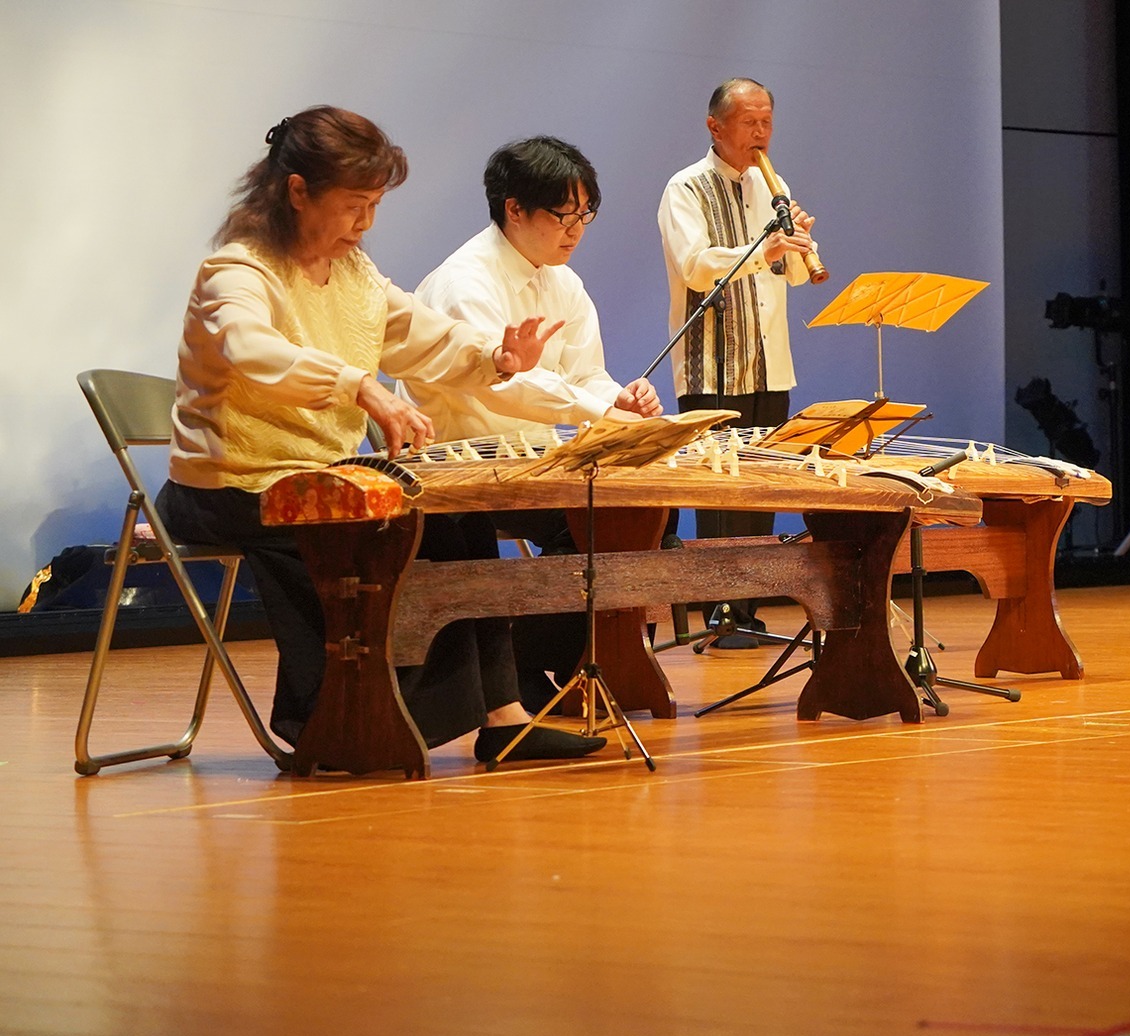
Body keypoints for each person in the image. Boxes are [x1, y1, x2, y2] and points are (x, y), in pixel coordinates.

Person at [154, 106, 604, 763]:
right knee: (366, 536)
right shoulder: (237, 270)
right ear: (298, 191)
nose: (365, 222)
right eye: (354, 204)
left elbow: (424, 337)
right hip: (233, 482)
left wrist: (497, 358)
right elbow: (251, 348)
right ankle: (340, 717)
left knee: (452, 516)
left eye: (374, 205)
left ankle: (503, 714)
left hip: (320, 470)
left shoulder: (356, 273)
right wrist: (357, 385)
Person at [404, 135, 664, 707]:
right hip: (460, 466)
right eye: (562, 214)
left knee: (645, 518)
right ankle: (516, 672)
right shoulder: (464, 282)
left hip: (534, 463)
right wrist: (598, 407)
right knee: (605, 528)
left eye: (585, 214)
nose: (575, 229)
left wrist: (620, 398)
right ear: (513, 208)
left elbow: (585, 375)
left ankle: (531, 664)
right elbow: (504, 389)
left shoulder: (562, 281)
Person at [656, 78, 818, 645]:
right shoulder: (685, 188)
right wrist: (764, 249)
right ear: (715, 126)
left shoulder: (769, 187)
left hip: (769, 360)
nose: (761, 134)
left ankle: (747, 608)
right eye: (750, 122)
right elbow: (697, 267)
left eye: (767, 122)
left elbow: (792, 276)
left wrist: (799, 245)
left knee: (761, 488)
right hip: (712, 363)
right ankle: (719, 612)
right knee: (720, 492)